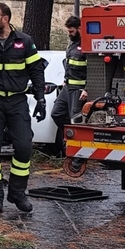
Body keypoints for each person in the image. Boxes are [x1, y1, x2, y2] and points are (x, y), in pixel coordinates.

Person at [0, 2, 47, 213]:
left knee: (24, 147)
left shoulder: (24, 41)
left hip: (17, 102)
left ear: (5, 19)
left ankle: (17, 192)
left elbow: (36, 70)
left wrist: (40, 98)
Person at [50, 15, 88, 151]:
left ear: (80, 29)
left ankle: (78, 150)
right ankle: (70, 137)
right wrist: (65, 81)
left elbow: (94, 70)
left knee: (75, 119)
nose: (69, 34)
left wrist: (87, 88)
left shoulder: (86, 46)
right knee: (57, 113)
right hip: (68, 87)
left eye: (71, 31)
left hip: (78, 89)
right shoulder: (72, 45)